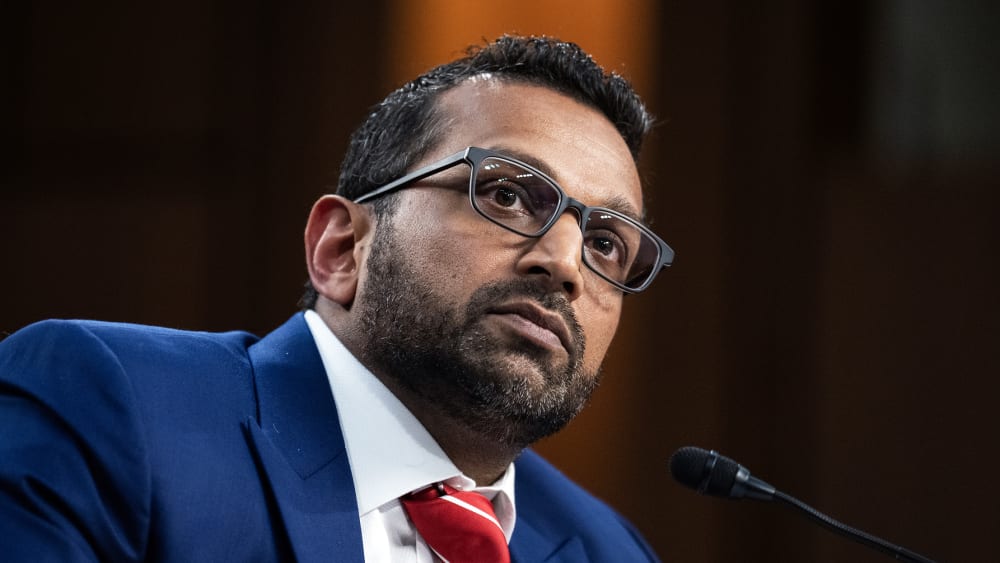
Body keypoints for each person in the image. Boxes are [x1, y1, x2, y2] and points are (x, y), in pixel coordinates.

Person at [0, 35, 674, 562]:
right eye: (505, 194)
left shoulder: (608, 549)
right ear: (343, 248)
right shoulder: (110, 411)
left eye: (607, 243)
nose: (563, 264)